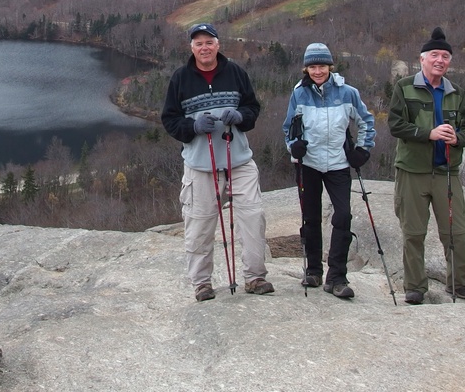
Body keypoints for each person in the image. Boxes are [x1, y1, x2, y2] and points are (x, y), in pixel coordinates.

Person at [161, 22, 273, 302]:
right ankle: (201, 283)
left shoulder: (235, 73)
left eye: (209, 42)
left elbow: (252, 108)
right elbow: (170, 121)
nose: (204, 48)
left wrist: (241, 117)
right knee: (199, 226)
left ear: (218, 45)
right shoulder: (180, 78)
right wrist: (193, 126)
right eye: (198, 43)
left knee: (253, 218)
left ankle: (255, 277)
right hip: (200, 167)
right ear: (191, 48)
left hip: (239, 162)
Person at [389, 27, 465, 304]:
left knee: (456, 232)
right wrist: (427, 134)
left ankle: (460, 284)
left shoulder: (456, 93)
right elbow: (395, 124)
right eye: (435, 55)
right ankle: (415, 287)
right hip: (412, 171)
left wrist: (458, 138)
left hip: (446, 172)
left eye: (445, 56)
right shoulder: (405, 87)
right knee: (413, 233)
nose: (440, 60)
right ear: (422, 59)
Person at [282, 42, 377, 299]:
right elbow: (289, 127)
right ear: (306, 68)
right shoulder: (299, 94)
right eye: (313, 66)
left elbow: (366, 121)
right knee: (310, 218)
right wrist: (294, 147)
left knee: (343, 216)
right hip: (308, 164)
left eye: (322, 66)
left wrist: (363, 150)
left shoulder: (347, 93)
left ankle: (337, 276)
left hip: (338, 163)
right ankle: (313, 270)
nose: (317, 71)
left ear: (330, 67)